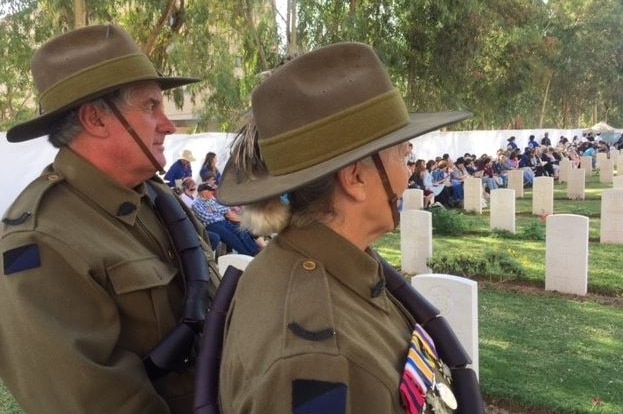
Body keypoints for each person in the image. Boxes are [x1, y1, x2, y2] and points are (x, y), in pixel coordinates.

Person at [214, 42, 482, 414]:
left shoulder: (330, 269)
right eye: (404, 156)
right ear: (355, 178)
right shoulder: (320, 359)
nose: (408, 175)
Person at [0, 24, 221, 414]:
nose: (168, 125)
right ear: (96, 120)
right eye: (151, 107)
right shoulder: (38, 242)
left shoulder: (156, 196)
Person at [191, 183, 261, 256]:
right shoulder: (196, 203)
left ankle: (255, 251)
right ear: (205, 192)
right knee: (232, 237)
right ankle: (248, 254)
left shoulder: (211, 200)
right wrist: (218, 211)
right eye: (211, 191)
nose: (212, 193)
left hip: (223, 221)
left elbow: (226, 208)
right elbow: (205, 217)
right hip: (212, 225)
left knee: (241, 230)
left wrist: (214, 209)